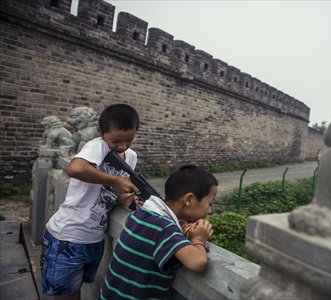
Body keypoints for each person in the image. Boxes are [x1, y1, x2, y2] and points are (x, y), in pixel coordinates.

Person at [41, 103, 142, 300]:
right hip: (68, 236)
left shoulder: (131, 157)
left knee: (75, 291)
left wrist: (125, 199)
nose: (122, 146)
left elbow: (109, 193)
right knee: (65, 296)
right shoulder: (97, 145)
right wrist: (116, 180)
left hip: (94, 239)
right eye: (116, 140)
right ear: (100, 132)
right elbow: (75, 169)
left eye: (129, 140)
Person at [99, 165, 218, 299]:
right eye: (210, 204)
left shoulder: (142, 214)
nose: (210, 211)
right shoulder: (164, 228)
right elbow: (197, 262)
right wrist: (198, 239)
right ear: (189, 200)